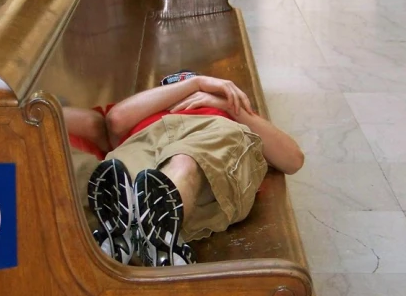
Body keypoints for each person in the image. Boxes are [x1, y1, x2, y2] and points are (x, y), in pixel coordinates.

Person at [87, 71, 304, 267]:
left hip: (210, 131)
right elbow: (116, 119)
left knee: (186, 161)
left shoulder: (223, 111)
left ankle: (133, 237)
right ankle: (151, 242)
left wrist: (228, 105)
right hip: (147, 139)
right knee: (123, 178)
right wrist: (195, 82)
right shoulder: (150, 109)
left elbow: (292, 160)